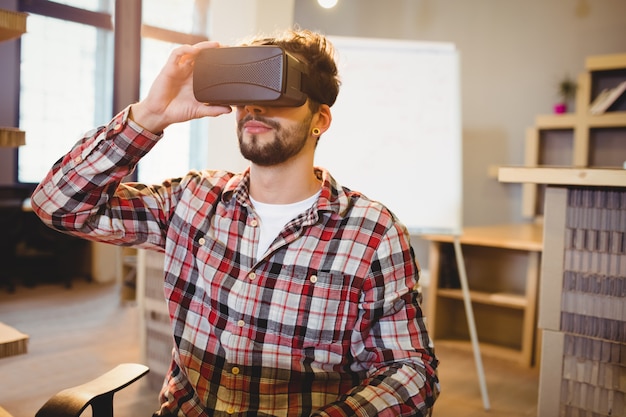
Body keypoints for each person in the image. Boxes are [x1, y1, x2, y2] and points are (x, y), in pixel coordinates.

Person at [31, 28, 439, 417]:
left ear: (321, 119)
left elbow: (411, 371)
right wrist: (150, 115)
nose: (254, 107)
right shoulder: (193, 200)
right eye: (244, 93)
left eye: (276, 92)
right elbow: (57, 205)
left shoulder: (372, 232)